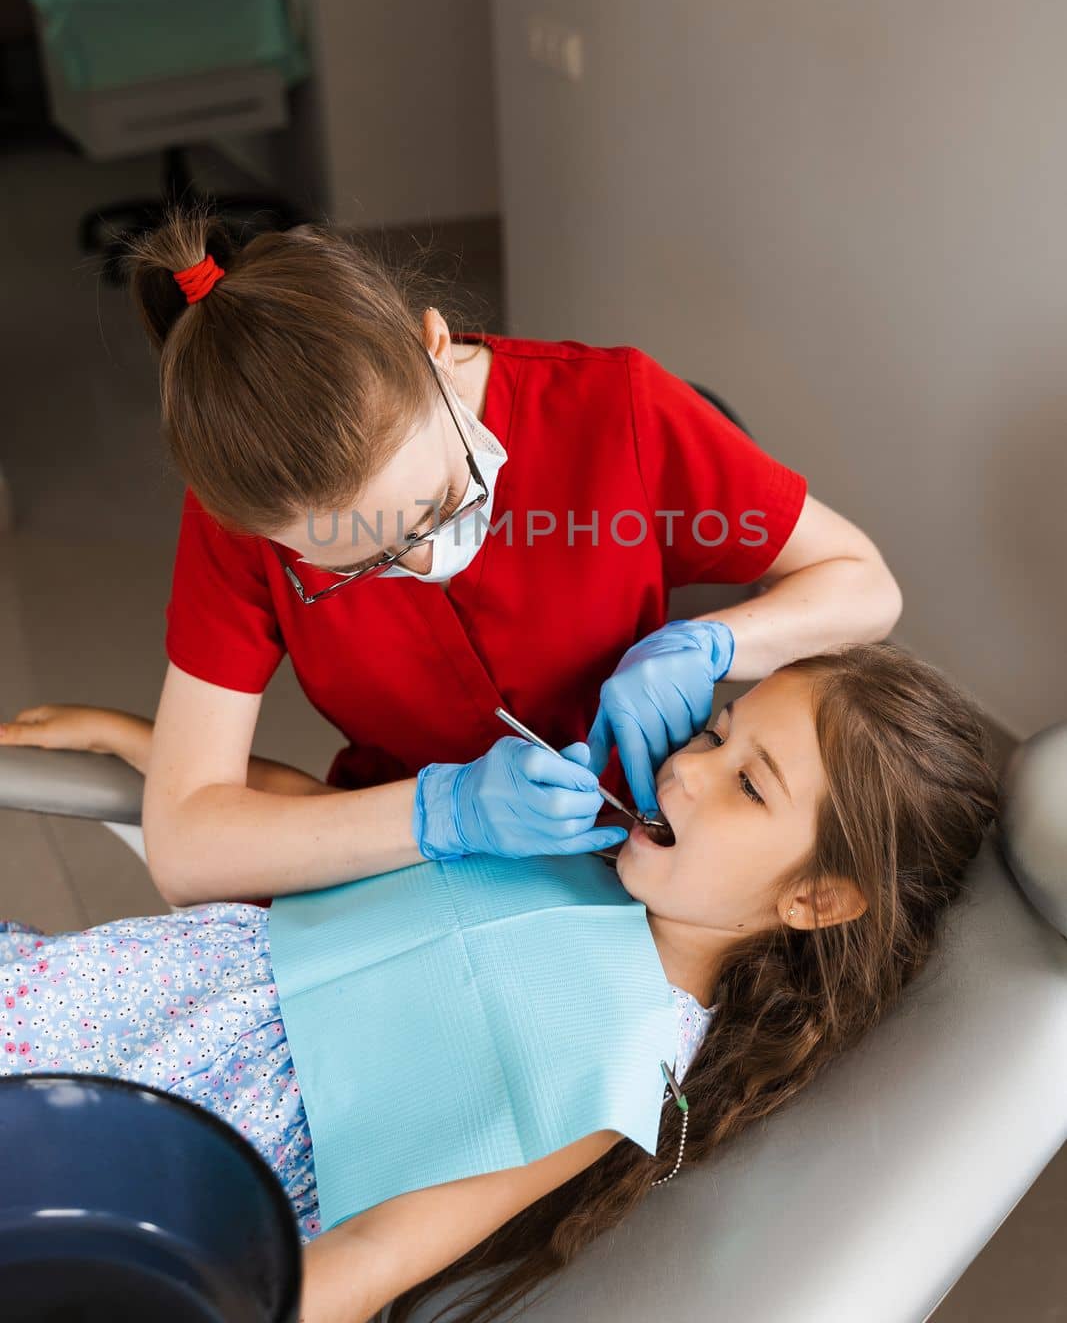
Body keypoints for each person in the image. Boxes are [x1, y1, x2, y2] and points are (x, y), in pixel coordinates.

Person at [0, 641, 998, 1323]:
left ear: (817, 900)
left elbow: (382, 1248)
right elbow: (350, 833)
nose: (686, 771)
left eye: (746, 784)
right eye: (712, 733)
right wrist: (164, 755)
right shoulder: (586, 841)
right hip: (141, 994)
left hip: (199, 1143)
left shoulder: (620, 1065)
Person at [82, 210, 902, 906]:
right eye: (365, 564)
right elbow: (187, 848)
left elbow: (863, 586)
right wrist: (445, 813)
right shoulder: (246, 514)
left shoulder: (612, 407)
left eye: (440, 503)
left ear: (433, 346)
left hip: (648, 853)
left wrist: (708, 643)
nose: (429, 558)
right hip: (404, 863)